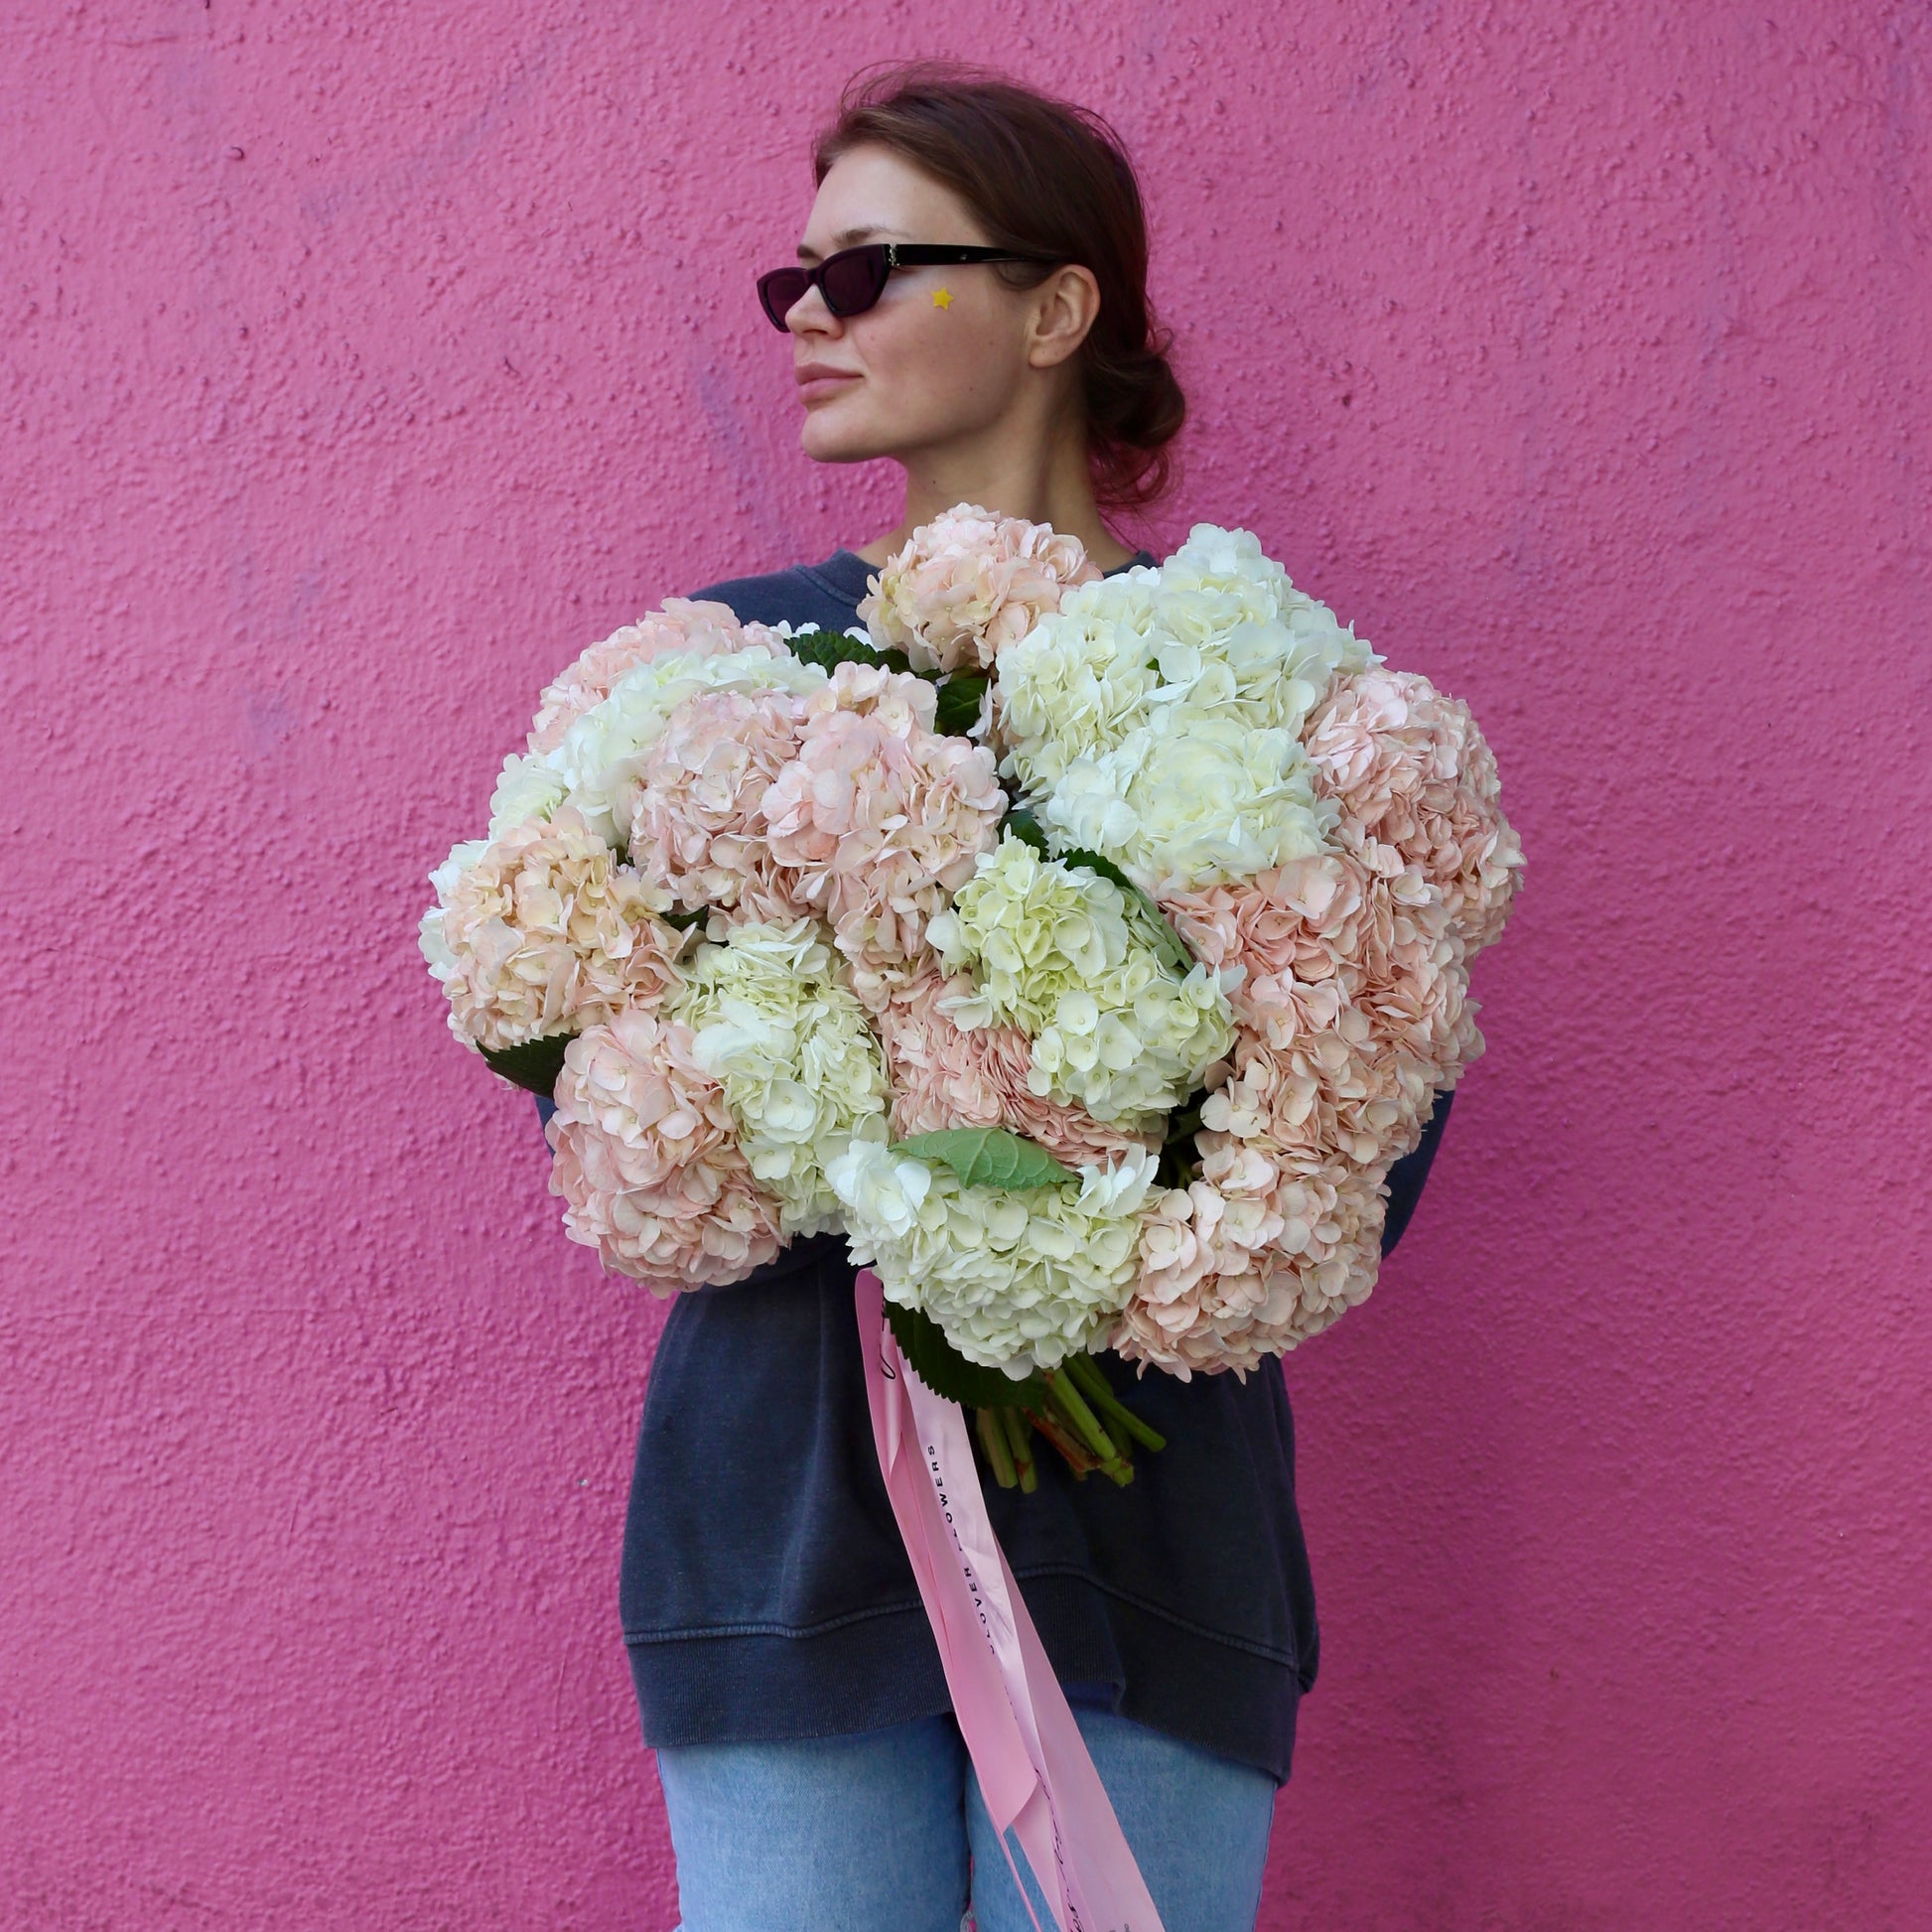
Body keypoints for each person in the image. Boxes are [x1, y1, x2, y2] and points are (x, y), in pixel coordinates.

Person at [554, 65, 1453, 1932]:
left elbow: (1364, 1120)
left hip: (1151, 1547)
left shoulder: (1273, 701)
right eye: (792, 277)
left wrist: (1068, 1180)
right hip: (786, 1535)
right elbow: (604, 1089)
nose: (811, 313)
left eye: (873, 266)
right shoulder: (714, 690)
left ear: (1056, 310)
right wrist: (877, 1124)